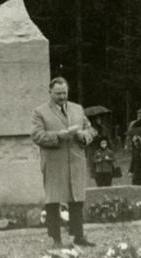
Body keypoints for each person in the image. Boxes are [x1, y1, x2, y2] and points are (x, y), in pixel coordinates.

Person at [31, 77, 97, 248]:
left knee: (77, 199)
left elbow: (91, 129)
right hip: (54, 162)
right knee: (53, 201)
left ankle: (78, 236)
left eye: (64, 93)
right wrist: (59, 136)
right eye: (58, 93)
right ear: (50, 93)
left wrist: (84, 136)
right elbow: (37, 136)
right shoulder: (40, 112)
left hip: (76, 160)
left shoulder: (77, 109)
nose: (62, 96)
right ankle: (55, 238)